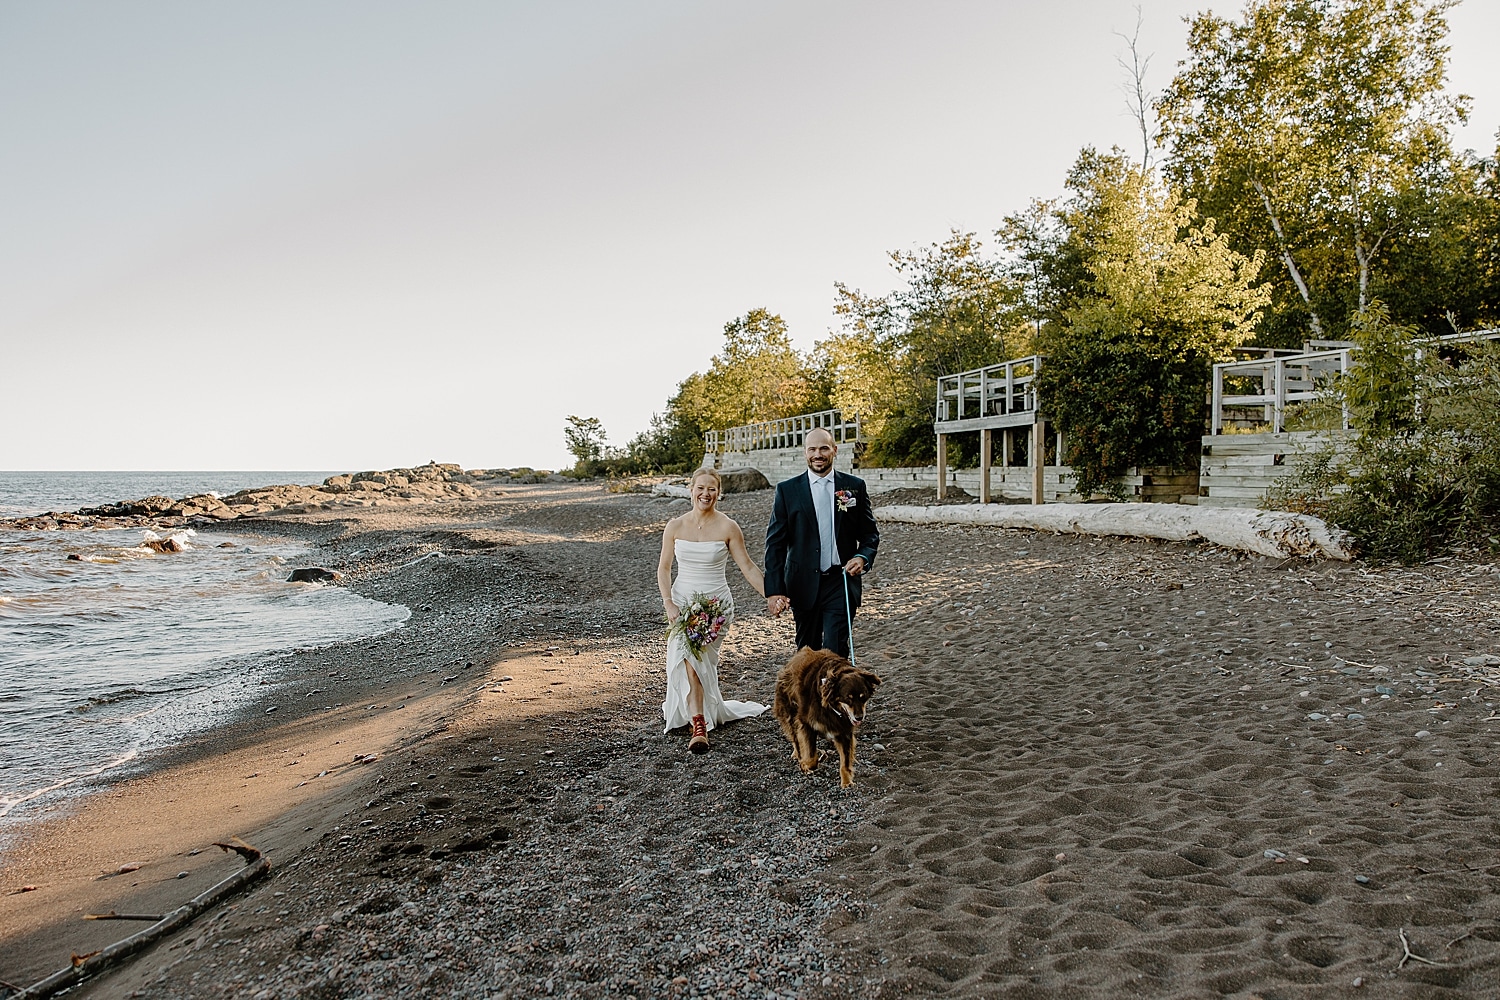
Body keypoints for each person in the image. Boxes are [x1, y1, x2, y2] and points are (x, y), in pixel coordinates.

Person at [657, 467, 770, 753]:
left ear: (719, 492)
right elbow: (664, 567)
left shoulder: (728, 527)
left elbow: (747, 567)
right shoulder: (675, 526)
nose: (706, 493)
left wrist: (773, 596)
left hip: (716, 606)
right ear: (691, 489)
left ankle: (701, 715)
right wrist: (668, 602)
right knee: (688, 660)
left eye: (712, 489)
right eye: (701, 488)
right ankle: (698, 724)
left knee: (700, 662)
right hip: (682, 604)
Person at [763, 428, 880, 657]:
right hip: (802, 583)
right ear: (805, 453)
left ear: (834, 450)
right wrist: (774, 591)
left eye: (824, 448)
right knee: (808, 652)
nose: (818, 454)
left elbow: (870, 535)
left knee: (835, 650)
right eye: (813, 449)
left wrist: (862, 557)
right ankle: (811, 694)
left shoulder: (854, 486)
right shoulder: (787, 491)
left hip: (841, 581)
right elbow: (775, 544)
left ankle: (834, 693)